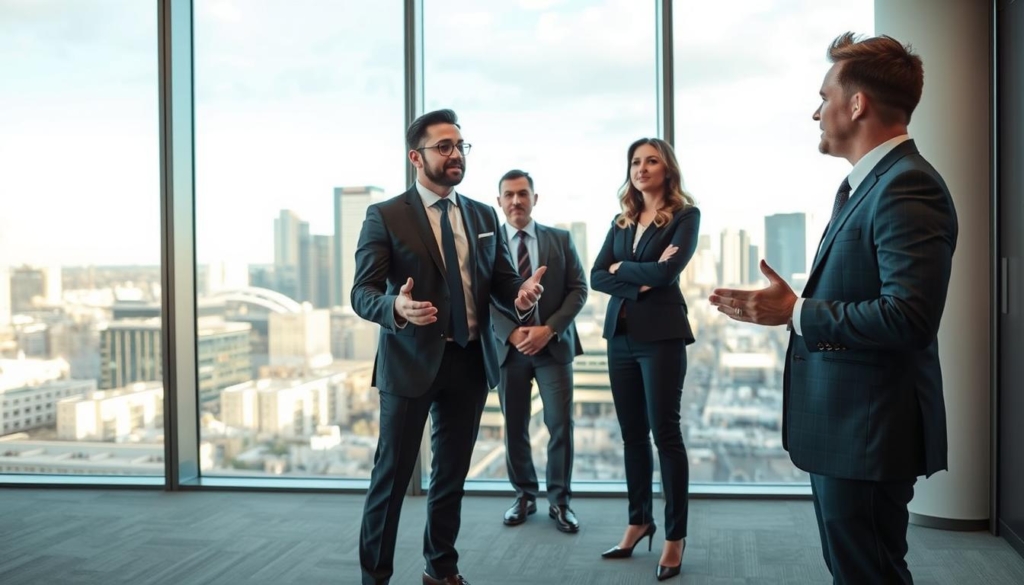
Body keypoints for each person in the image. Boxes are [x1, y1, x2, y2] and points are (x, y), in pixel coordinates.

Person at [709, 32, 958, 584]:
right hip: (850, 430)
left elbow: (908, 318)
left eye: (824, 96)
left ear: (857, 104)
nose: (815, 111)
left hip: (868, 435)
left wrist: (797, 312)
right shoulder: (869, 186)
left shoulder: (906, 186)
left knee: (870, 573)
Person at [351, 108, 547, 585]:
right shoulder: (386, 215)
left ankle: (441, 570)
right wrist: (396, 308)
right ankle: (375, 577)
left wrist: (520, 295)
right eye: (445, 146)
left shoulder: (482, 214)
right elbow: (362, 293)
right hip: (410, 363)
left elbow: (501, 283)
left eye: (461, 145)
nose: (456, 154)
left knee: (451, 478)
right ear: (416, 157)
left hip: (469, 363)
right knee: (392, 479)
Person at [591, 138, 700, 581]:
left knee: (665, 436)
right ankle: (639, 521)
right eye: (635, 162)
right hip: (620, 337)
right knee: (632, 436)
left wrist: (624, 270)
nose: (641, 168)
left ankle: (675, 536)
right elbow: (598, 274)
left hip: (661, 339)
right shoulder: (621, 221)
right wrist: (636, 279)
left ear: (667, 168)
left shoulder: (685, 216)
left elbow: (667, 273)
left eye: (651, 160)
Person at [491, 169, 588, 533]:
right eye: (509, 195)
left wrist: (549, 330)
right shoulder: (488, 244)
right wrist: (512, 333)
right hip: (509, 350)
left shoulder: (559, 239)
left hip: (553, 347)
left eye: (522, 193)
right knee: (515, 426)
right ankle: (524, 496)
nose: (516, 200)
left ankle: (560, 503)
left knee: (560, 425)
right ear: (498, 201)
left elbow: (579, 289)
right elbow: (480, 297)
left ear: (535, 198)